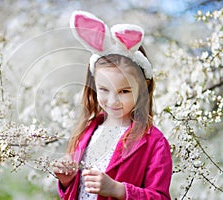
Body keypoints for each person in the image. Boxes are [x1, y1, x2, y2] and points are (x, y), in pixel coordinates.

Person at [53, 10, 172, 200]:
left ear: (142, 88)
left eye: (124, 91)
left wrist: (119, 190)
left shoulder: (154, 143)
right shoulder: (86, 131)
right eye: (104, 90)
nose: (112, 101)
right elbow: (77, 192)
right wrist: (67, 181)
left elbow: (160, 197)